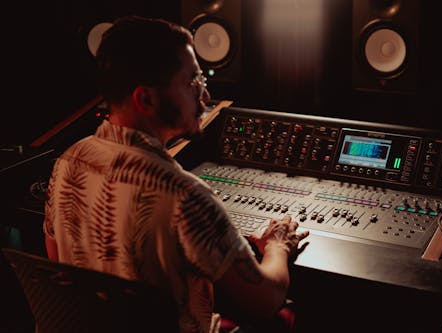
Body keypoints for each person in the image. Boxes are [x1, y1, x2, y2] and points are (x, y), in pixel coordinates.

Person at [43, 15, 309, 333]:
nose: (205, 97)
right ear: (146, 99)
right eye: (193, 83)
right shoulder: (183, 196)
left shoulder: (68, 162)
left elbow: (57, 257)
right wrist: (278, 245)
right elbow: (265, 299)